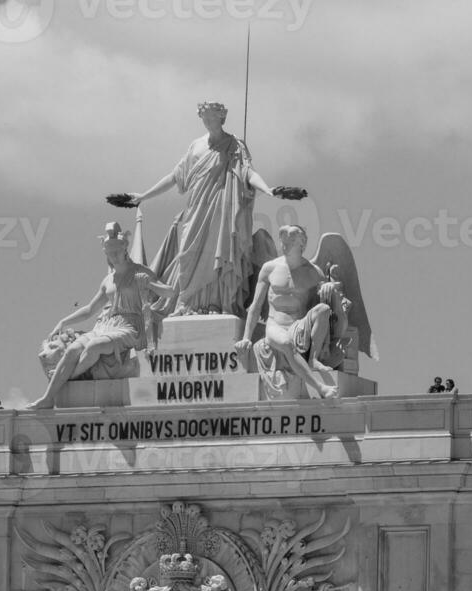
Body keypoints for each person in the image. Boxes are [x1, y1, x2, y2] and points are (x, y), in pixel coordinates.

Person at [112, 101, 305, 317]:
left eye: (212, 117)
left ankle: (215, 303)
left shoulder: (234, 146)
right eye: (204, 118)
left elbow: (248, 173)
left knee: (219, 254)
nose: (208, 121)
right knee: (187, 254)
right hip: (196, 210)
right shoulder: (196, 146)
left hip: (222, 211)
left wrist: (268, 190)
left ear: (221, 118)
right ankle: (186, 303)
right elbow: (175, 177)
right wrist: (144, 196)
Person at [28, 223, 176, 410]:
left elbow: (170, 293)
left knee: (93, 347)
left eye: (116, 251)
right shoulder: (108, 281)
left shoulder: (140, 272)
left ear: (125, 249)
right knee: (73, 349)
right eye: (109, 253)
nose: (113, 256)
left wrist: (151, 285)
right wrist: (63, 321)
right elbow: (90, 309)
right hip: (106, 325)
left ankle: (63, 380)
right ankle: (48, 398)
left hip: (129, 327)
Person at [234, 225, 349, 400]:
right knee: (287, 343)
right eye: (283, 239)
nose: (284, 244)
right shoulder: (269, 268)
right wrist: (246, 338)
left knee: (323, 310)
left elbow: (329, 304)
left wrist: (328, 287)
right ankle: (320, 387)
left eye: (290, 240)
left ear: (302, 244)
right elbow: (256, 306)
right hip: (275, 325)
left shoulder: (313, 272)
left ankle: (314, 359)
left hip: (297, 325)